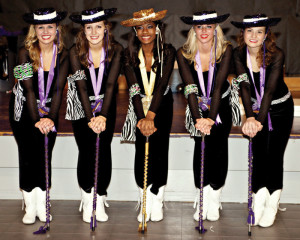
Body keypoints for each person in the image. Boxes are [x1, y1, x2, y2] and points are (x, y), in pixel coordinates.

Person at [231, 14, 294, 227]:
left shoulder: (277, 54)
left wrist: (256, 120)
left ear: (267, 34)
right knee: (258, 155)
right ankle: (257, 201)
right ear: (243, 33)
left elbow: (268, 92)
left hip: (279, 110)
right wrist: (250, 117)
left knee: (274, 155)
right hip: (255, 109)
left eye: (259, 31)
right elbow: (244, 86)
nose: (254, 36)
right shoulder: (238, 53)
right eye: (250, 31)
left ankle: (272, 203)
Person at [9, 8, 69, 224]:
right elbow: (29, 90)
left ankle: (43, 205)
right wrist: (37, 121)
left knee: (44, 156)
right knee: (27, 156)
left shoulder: (64, 54)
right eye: (40, 27)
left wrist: (51, 118)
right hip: (24, 110)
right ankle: (29, 207)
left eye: (50, 27)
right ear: (34, 30)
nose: (45, 31)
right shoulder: (23, 52)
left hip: (49, 111)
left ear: (57, 29)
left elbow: (58, 89)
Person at [68, 7, 123, 223]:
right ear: (83, 30)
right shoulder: (75, 51)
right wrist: (91, 116)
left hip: (106, 106)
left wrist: (103, 116)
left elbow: (110, 85)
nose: (93, 32)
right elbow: (81, 87)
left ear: (106, 28)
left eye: (98, 27)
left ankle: (99, 196)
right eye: (89, 27)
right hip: (82, 107)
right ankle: (86, 194)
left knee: (103, 149)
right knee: (86, 149)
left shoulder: (116, 50)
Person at [120, 8, 175, 222]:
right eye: (140, 27)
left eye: (150, 26)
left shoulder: (168, 51)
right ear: (134, 31)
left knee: (160, 149)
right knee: (141, 150)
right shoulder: (128, 54)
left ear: (158, 29)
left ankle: (157, 197)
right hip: (138, 107)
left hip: (162, 105)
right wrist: (142, 117)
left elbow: (162, 85)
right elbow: (133, 87)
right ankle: (144, 196)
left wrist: (151, 116)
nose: (145, 31)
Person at [177, 11, 232, 221]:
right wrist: (199, 118)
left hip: (221, 105)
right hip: (196, 106)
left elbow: (217, 87)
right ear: (193, 30)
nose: (204, 31)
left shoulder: (225, 50)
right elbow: (190, 87)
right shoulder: (184, 53)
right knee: (201, 148)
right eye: (199, 27)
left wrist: (211, 117)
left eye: (209, 27)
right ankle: (202, 194)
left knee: (218, 148)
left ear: (216, 29)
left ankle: (215, 196)